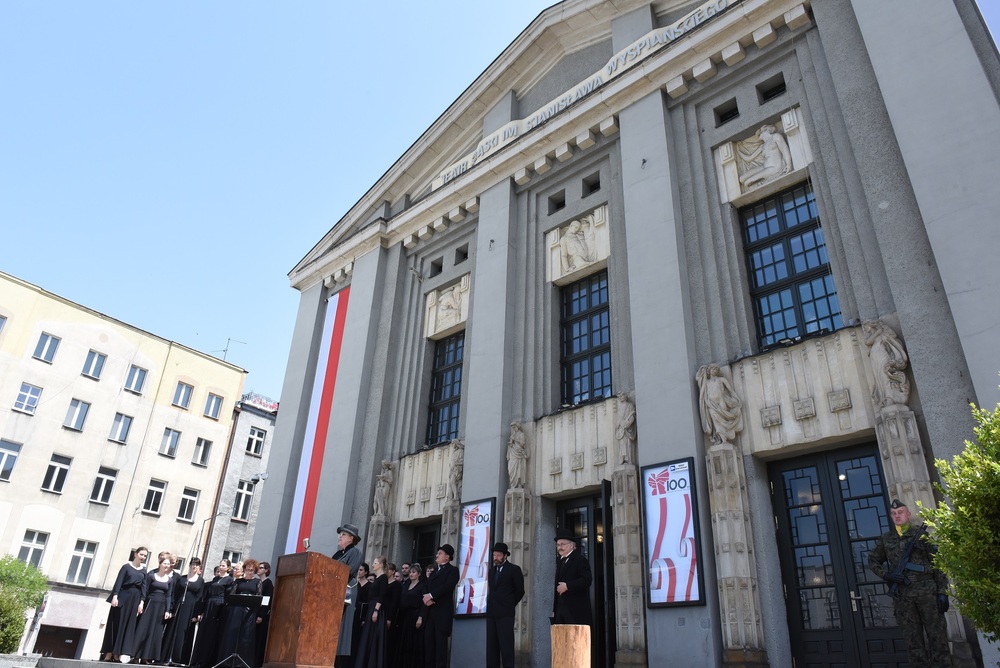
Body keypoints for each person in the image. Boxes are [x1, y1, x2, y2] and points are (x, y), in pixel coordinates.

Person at [868, 499, 951, 667]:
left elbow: (938, 563)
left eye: (900, 513)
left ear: (908, 514)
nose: (897, 516)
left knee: (937, 637)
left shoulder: (921, 535)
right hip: (903, 596)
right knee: (913, 640)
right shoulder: (886, 539)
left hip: (927, 593)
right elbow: (873, 560)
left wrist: (942, 591)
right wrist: (888, 575)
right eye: (893, 514)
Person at [100, 546, 148, 662]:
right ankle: (109, 653)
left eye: (145, 556)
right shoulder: (126, 567)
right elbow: (119, 582)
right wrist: (115, 596)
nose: (143, 557)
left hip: (135, 599)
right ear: (135, 554)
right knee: (116, 624)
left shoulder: (143, 571)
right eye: (141, 554)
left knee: (127, 627)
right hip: (123, 597)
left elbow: (144, 587)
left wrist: (141, 602)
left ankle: (118, 654)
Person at [217, 558, 262, 668]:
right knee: (233, 635)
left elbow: (259, 598)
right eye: (247, 570)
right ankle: (228, 661)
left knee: (246, 637)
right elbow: (232, 596)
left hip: (249, 613)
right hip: (236, 611)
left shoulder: (257, 582)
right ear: (244, 570)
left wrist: (258, 614)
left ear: (254, 571)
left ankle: (242, 663)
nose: (249, 572)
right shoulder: (238, 581)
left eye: (251, 570)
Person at [486, 543, 524, 668]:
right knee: (492, 647)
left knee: (506, 646)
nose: (495, 557)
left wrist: (509, 604)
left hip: (506, 614)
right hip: (492, 613)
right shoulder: (492, 571)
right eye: (494, 555)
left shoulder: (514, 569)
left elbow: (520, 591)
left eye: (498, 555)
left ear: (505, 556)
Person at [132, 552, 175, 664]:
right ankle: (136, 656)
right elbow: (145, 591)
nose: (166, 566)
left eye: (168, 564)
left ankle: (146, 657)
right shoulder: (151, 576)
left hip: (160, 607)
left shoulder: (170, 580)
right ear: (160, 564)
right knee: (143, 629)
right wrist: (141, 603)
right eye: (165, 563)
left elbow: (169, 595)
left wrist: (167, 610)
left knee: (154, 632)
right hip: (149, 604)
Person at [422, 544, 460, 668]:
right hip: (430, 614)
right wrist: (426, 597)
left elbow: (447, 586)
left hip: (442, 614)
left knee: (440, 648)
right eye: (437, 553)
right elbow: (426, 585)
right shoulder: (434, 571)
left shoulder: (453, 570)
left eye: (440, 553)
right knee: (428, 646)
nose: (437, 555)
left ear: (447, 557)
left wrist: (431, 596)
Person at [162, 557, 205, 665]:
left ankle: (179, 658)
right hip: (178, 606)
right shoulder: (182, 578)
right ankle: (166, 657)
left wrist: (197, 614)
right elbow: (174, 594)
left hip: (190, 608)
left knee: (183, 632)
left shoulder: (200, 581)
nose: (194, 566)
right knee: (172, 630)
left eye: (196, 565)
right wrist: (171, 609)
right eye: (192, 564)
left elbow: (200, 598)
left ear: (199, 567)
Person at [190, 565, 234, 668]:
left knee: (212, 634)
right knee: (204, 633)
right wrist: (201, 611)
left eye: (223, 565)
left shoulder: (229, 580)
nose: (221, 567)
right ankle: (198, 660)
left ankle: (208, 661)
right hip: (210, 605)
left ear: (228, 568)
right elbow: (207, 595)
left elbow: (228, 596)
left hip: (219, 606)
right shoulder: (215, 579)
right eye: (220, 565)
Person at [332, 523, 363, 667]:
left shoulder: (355, 552)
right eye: (340, 534)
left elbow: (349, 571)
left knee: (343, 625)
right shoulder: (337, 554)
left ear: (351, 538)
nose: (340, 536)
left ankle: (340, 658)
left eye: (343, 534)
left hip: (346, 590)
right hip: (332, 592)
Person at [354, 556, 390, 667]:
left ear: (381, 564)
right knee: (368, 636)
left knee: (373, 636)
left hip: (376, 608)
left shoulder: (383, 578)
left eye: (375, 563)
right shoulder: (378, 577)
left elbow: (382, 595)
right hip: (371, 607)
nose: (373, 565)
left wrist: (376, 610)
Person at [552, 530, 592, 626]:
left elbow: (587, 580)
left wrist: (568, 586)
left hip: (575, 610)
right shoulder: (560, 561)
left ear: (571, 546)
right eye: (558, 545)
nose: (559, 547)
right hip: (560, 611)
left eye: (562, 544)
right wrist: (555, 610)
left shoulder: (580, 560)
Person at [393, 562, 425, 668]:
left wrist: (420, 617)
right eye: (410, 572)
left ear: (419, 574)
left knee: (413, 643)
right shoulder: (405, 585)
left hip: (414, 616)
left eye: (414, 572)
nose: (411, 574)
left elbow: (423, 604)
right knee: (402, 642)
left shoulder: (422, 586)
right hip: (404, 617)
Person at [254, 562, 274, 668]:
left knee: (259, 639)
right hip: (253, 613)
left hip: (261, 615)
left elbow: (266, 601)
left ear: (266, 570)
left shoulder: (268, 583)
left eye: (261, 568)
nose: (258, 569)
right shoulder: (256, 582)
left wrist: (261, 615)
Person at [351, 563, 371, 660]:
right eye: (358, 570)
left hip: (362, 612)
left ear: (366, 572)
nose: (359, 572)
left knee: (358, 637)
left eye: (361, 570)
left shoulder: (370, 585)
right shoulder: (354, 584)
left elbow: (369, 602)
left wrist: (364, 618)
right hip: (353, 612)